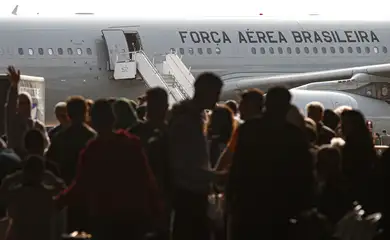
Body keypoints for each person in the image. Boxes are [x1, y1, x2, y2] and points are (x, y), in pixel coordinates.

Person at [55, 99, 162, 240]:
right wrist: (157, 212)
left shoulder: (92, 150)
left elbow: (80, 185)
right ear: (113, 118)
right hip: (133, 215)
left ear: (92, 119)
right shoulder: (131, 144)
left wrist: (57, 202)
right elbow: (147, 179)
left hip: (104, 218)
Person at [226, 86, 314, 240]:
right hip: (281, 206)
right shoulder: (294, 134)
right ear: (287, 106)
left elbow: (238, 165)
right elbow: (304, 173)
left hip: (249, 203)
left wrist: (230, 197)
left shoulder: (249, 128)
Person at [169, 72, 227, 240]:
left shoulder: (194, 118)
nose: (217, 100)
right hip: (188, 195)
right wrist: (215, 176)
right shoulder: (186, 122)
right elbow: (182, 165)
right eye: (215, 94)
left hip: (194, 193)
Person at [0, 155, 65, 240]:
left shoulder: (17, 194)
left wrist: (14, 177)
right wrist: (51, 177)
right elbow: (62, 188)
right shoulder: (47, 194)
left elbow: (3, 191)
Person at [4, 66, 49, 156]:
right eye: (21, 103)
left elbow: (46, 144)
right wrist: (14, 86)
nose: (24, 106)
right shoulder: (14, 122)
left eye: (27, 103)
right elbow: (10, 106)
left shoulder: (38, 126)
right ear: (17, 106)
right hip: (17, 160)